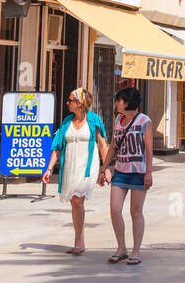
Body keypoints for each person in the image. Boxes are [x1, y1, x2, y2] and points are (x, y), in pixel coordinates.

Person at [43, 88, 108, 255]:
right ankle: (80, 240)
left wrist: (105, 168)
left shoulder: (94, 120)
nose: (67, 103)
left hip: (88, 167)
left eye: (70, 100)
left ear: (80, 104)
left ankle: (78, 242)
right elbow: (57, 147)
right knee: (74, 202)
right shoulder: (66, 122)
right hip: (70, 166)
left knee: (78, 200)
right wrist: (49, 169)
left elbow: (102, 145)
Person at [100, 85, 153, 266]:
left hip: (138, 172)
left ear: (127, 102)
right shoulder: (118, 120)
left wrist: (149, 173)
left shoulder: (144, 122)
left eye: (119, 100)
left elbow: (149, 149)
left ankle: (136, 251)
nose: (116, 103)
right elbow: (114, 146)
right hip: (120, 171)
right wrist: (104, 168)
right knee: (115, 210)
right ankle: (121, 247)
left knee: (135, 212)